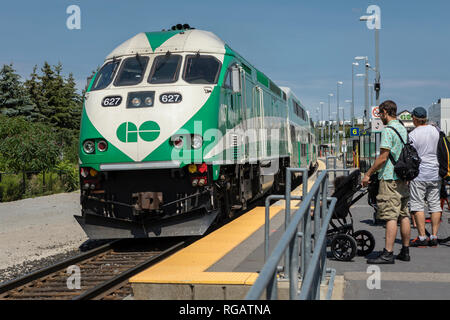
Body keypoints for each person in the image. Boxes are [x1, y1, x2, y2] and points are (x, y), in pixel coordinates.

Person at [362, 100, 411, 264]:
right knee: (403, 214)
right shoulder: (402, 128)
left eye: (381, 114)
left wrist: (368, 173)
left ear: (384, 112)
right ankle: (405, 251)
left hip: (390, 178)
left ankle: (388, 253)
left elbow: (383, 158)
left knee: (390, 215)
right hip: (403, 178)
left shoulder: (388, 131)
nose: (380, 117)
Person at [408, 107, 442, 247]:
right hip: (435, 172)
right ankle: (434, 236)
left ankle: (422, 237)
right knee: (434, 205)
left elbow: (410, 156)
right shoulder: (436, 131)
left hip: (419, 174)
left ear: (415, 119)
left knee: (417, 205)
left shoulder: (413, 135)